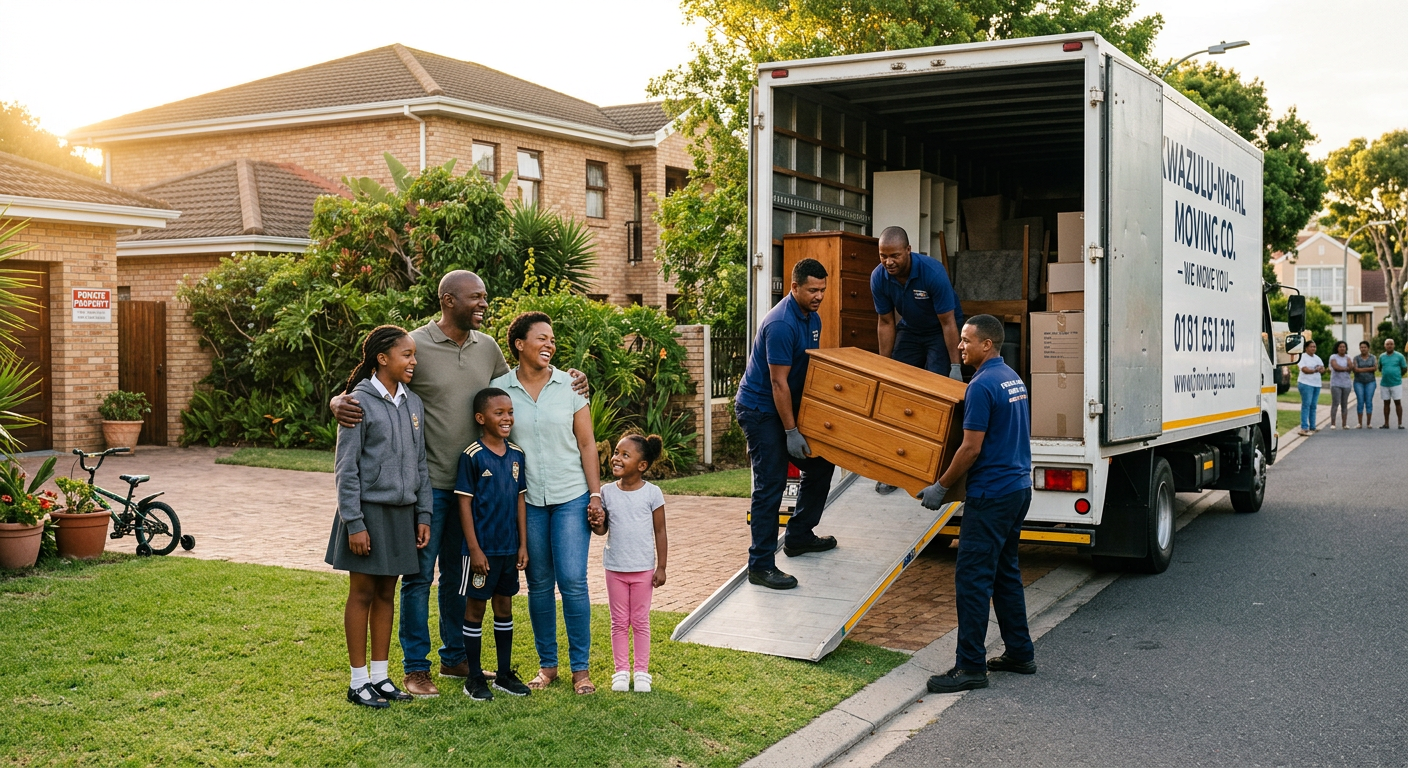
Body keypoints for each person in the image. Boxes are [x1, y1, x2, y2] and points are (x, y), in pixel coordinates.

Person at [330, 271, 586, 698]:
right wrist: (337, 400)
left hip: (475, 488)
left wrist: (571, 380)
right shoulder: (415, 344)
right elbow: (372, 385)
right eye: (476, 297)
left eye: (486, 296)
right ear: (448, 300)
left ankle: (454, 658)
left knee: (457, 576)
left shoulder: (487, 348)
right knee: (416, 577)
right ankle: (416, 668)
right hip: (426, 487)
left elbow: (517, 387)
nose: (484, 304)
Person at [917, 315, 1034, 694]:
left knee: (972, 580)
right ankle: (1019, 652)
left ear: (988, 345)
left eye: (967, 340)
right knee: (1004, 574)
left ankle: (970, 666)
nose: (960, 346)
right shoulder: (1012, 378)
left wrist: (940, 486)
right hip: (1017, 489)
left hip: (992, 494)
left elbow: (970, 448)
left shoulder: (981, 386)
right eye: (961, 340)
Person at [492, 312, 602, 695]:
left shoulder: (570, 386)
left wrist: (595, 493)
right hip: (527, 501)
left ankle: (581, 670)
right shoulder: (500, 389)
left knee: (572, 580)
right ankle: (548, 665)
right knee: (538, 583)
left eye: (553, 340)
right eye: (542, 338)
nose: (550, 345)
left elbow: (587, 444)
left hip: (571, 495)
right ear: (520, 344)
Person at [325, 325, 432, 708]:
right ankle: (357, 683)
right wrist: (354, 522)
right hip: (367, 514)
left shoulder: (413, 403)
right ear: (382, 358)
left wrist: (424, 512)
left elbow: (420, 463)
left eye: (414, 354)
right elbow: (346, 468)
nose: (413, 362)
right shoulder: (358, 402)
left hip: (403, 514)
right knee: (363, 593)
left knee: (388, 593)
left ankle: (381, 678)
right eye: (406, 355)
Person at [734, 258, 837, 590]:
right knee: (771, 484)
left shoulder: (813, 318)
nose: (819, 295)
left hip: (783, 408)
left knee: (820, 464)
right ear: (794, 287)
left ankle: (798, 535)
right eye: (812, 290)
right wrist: (791, 432)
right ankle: (760, 565)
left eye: (822, 289)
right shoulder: (780, 324)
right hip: (760, 410)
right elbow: (779, 383)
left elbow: (804, 372)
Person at [871, 225, 965, 495]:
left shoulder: (932, 273)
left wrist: (955, 366)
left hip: (940, 329)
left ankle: (934, 471)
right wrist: (884, 366)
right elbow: (886, 322)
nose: (888, 262)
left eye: (895, 256)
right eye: (883, 256)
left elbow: (948, 323)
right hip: (910, 329)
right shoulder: (879, 278)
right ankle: (893, 469)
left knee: (934, 396)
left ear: (909, 251)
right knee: (897, 393)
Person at [454, 387, 531, 702]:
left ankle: (503, 674)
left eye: (510, 412)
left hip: (509, 549)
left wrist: (523, 545)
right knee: (475, 608)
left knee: (504, 607)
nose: (507, 418)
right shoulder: (472, 455)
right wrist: (474, 549)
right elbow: (463, 505)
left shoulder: (517, 455)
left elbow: (520, 501)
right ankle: (473, 677)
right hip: (480, 552)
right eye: (499, 413)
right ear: (480, 418)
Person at [590, 433, 668, 693]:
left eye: (625, 455)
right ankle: (621, 671)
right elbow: (602, 531)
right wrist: (598, 522)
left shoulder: (652, 493)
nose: (616, 458)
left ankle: (642, 672)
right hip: (615, 568)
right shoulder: (606, 492)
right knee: (619, 621)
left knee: (641, 621)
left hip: (644, 569)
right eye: (616, 453)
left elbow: (660, 531)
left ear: (642, 465)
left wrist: (661, 567)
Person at [1378, 338, 1407, 429]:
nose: (1389, 346)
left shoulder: (1399, 356)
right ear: (1384, 346)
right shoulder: (1382, 356)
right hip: (1384, 384)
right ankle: (1386, 423)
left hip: (1396, 383)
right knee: (1386, 403)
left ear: (1394, 345)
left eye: (1391, 344)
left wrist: (1399, 375)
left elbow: (1404, 368)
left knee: (1397, 402)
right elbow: (1380, 368)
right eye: (1387, 344)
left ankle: (1400, 423)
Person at [1297, 341, 1324, 436]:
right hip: (1305, 383)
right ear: (1306, 348)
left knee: (1313, 406)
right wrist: (1315, 370)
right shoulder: (1302, 357)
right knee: (1306, 405)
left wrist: (1321, 369)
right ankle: (1304, 427)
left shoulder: (1317, 358)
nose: (1313, 348)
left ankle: (1312, 426)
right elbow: (1305, 370)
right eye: (1311, 347)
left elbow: (1323, 369)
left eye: (1314, 346)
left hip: (1316, 384)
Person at [1328, 341, 1353, 430]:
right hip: (1336, 383)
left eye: (1344, 347)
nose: (1342, 348)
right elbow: (1336, 367)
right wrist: (1345, 368)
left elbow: (1351, 367)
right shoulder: (1333, 357)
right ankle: (1333, 423)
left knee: (1344, 403)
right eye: (1340, 347)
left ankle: (1344, 424)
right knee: (1335, 403)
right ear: (1337, 348)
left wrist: (1346, 368)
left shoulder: (1348, 357)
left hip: (1346, 384)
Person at [1353, 341, 1378, 429]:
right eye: (1361, 347)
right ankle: (1359, 423)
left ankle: (1368, 423)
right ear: (1359, 348)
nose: (1363, 349)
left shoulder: (1373, 357)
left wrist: (1361, 369)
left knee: (1368, 401)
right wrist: (1368, 369)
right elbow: (1355, 369)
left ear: (1368, 348)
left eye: (1365, 347)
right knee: (1360, 401)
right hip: (1358, 382)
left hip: (1370, 382)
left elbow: (1375, 368)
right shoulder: (1356, 358)